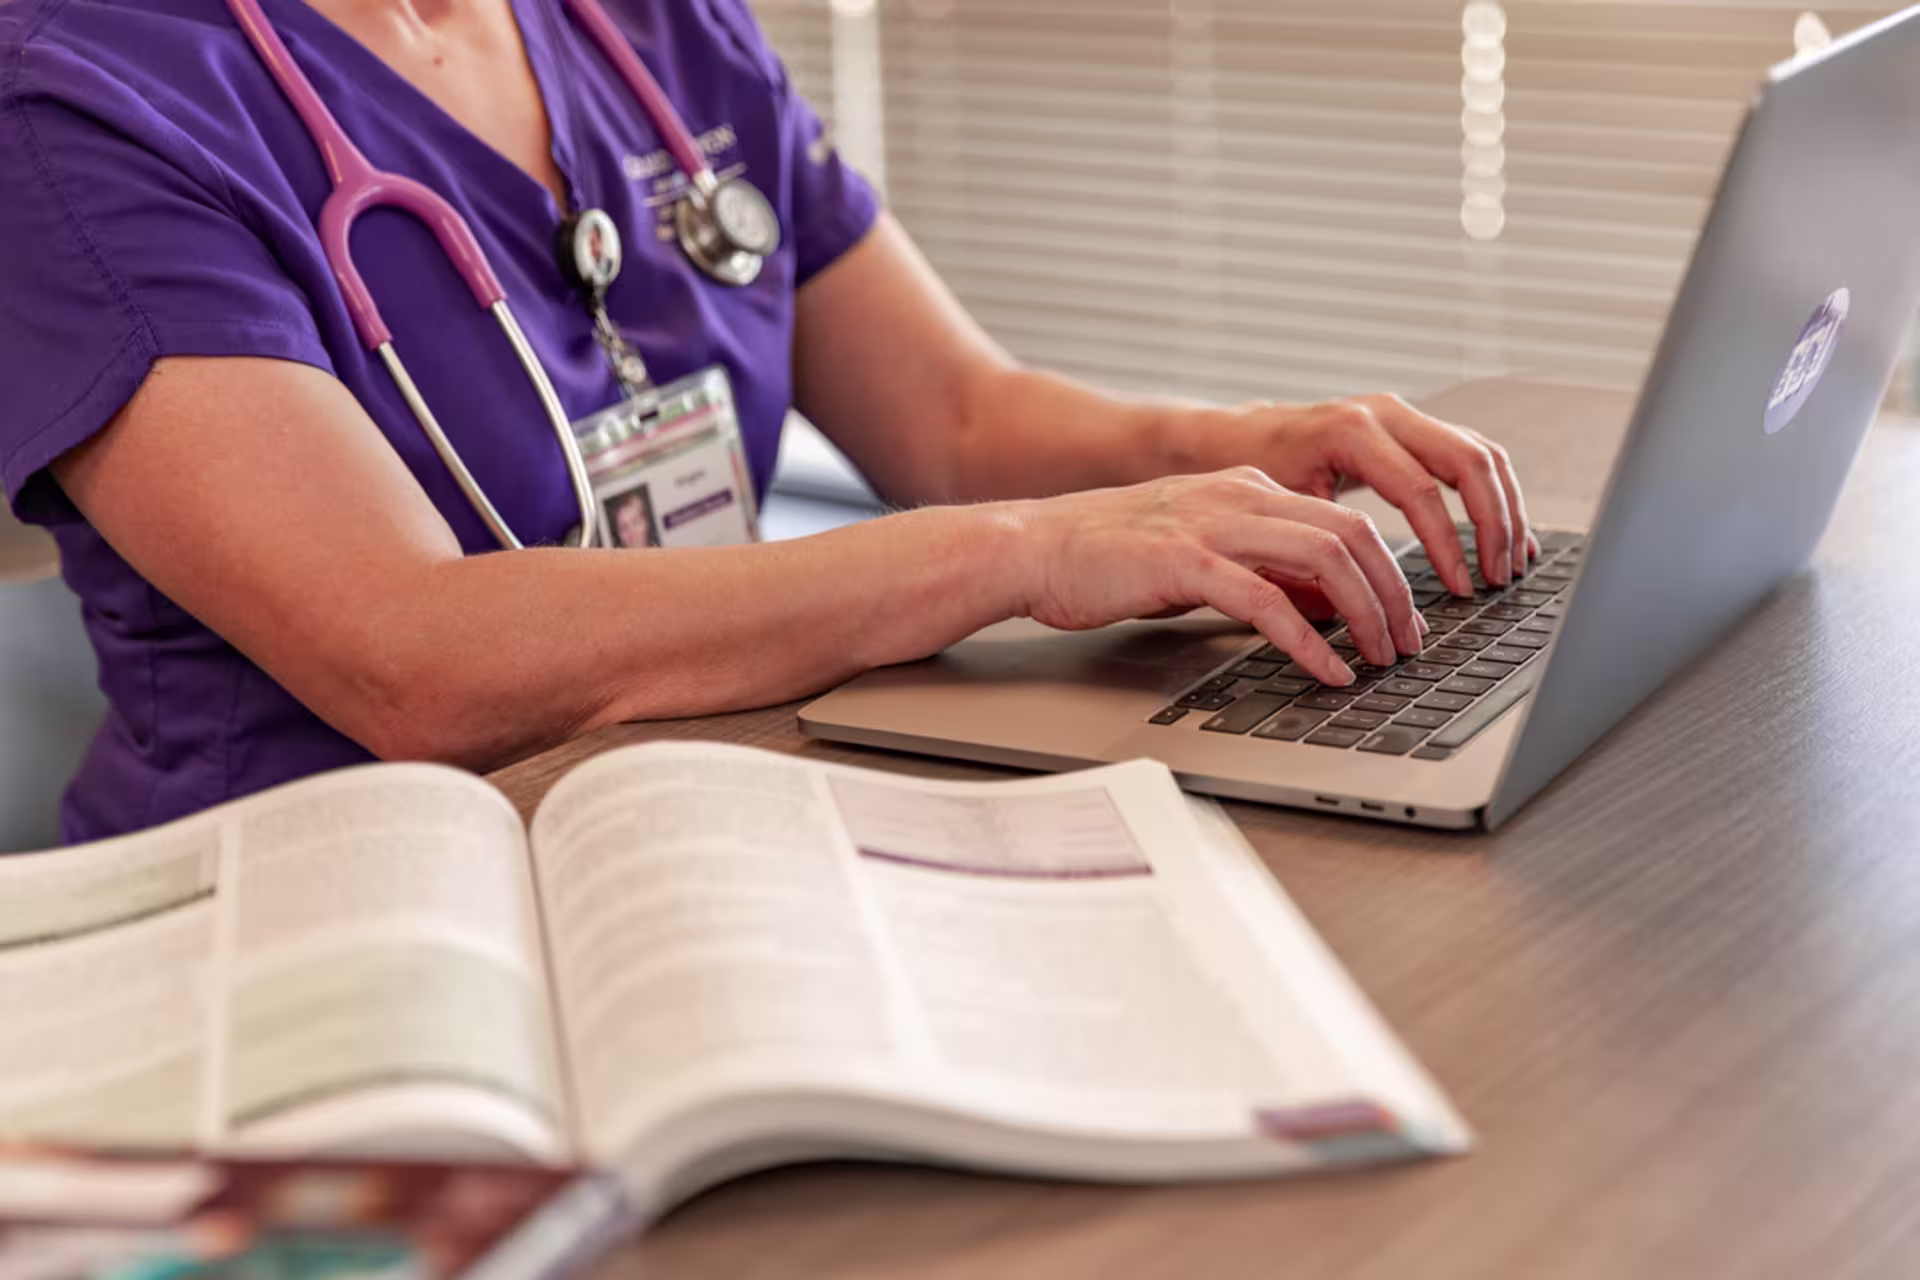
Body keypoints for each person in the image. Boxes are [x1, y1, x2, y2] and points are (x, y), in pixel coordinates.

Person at [0, 0, 1535, 844]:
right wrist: (1026, 552)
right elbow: (411, 658)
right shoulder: (78, 102)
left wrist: (1235, 452)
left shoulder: (646, 27)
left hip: (704, 816)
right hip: (324, 907)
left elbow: (954, 412)